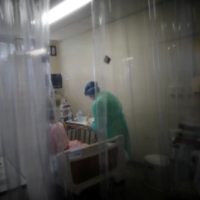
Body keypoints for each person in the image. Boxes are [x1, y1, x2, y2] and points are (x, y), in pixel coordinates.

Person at [84, 81, 131, 158]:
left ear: (91, 94)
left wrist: (92, 126)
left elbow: (100, 124)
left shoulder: (97, 103)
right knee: (122, 155)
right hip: (121, 127)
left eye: (89, 96)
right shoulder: (108, 95)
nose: (90, 98)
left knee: (113, 157)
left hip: (111, 133)